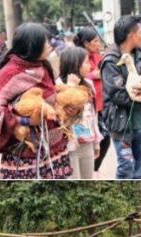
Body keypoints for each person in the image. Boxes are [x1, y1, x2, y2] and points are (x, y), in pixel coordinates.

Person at [0, 22, 75, 179]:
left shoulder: (43, 66)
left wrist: (65, 109)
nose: (49, 45)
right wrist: (25, 120)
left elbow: (52, 97)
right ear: (32, 45)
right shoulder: (9, 72)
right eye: (45, 41)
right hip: (27, 152)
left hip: (54, 148)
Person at [100, 15, 141, 179]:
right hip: (121, 126)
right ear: (131, 35)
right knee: (126, 169)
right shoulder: (110, 61)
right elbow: (118, 94)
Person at [57, 47, 102, 179]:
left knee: (88, 180)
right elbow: (61, 117)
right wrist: (71, 87)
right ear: (75, 64)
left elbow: (93, 115)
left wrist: (96, 143)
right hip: (68, 146)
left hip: (87, 141)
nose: (89, 66)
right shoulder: (58, 85)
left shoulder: (89, 84)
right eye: (86, 62)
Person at [74, 27, 110, 177]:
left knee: (105, 138)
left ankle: (94, 169)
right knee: (88, 141)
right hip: (86, 107)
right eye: (95, 41)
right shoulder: (76, 57)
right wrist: (93, 75)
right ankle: (88, 172)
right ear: (86, 43)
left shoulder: (97, 56)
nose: (98, 43)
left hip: (102, 105)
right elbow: (73, 75)